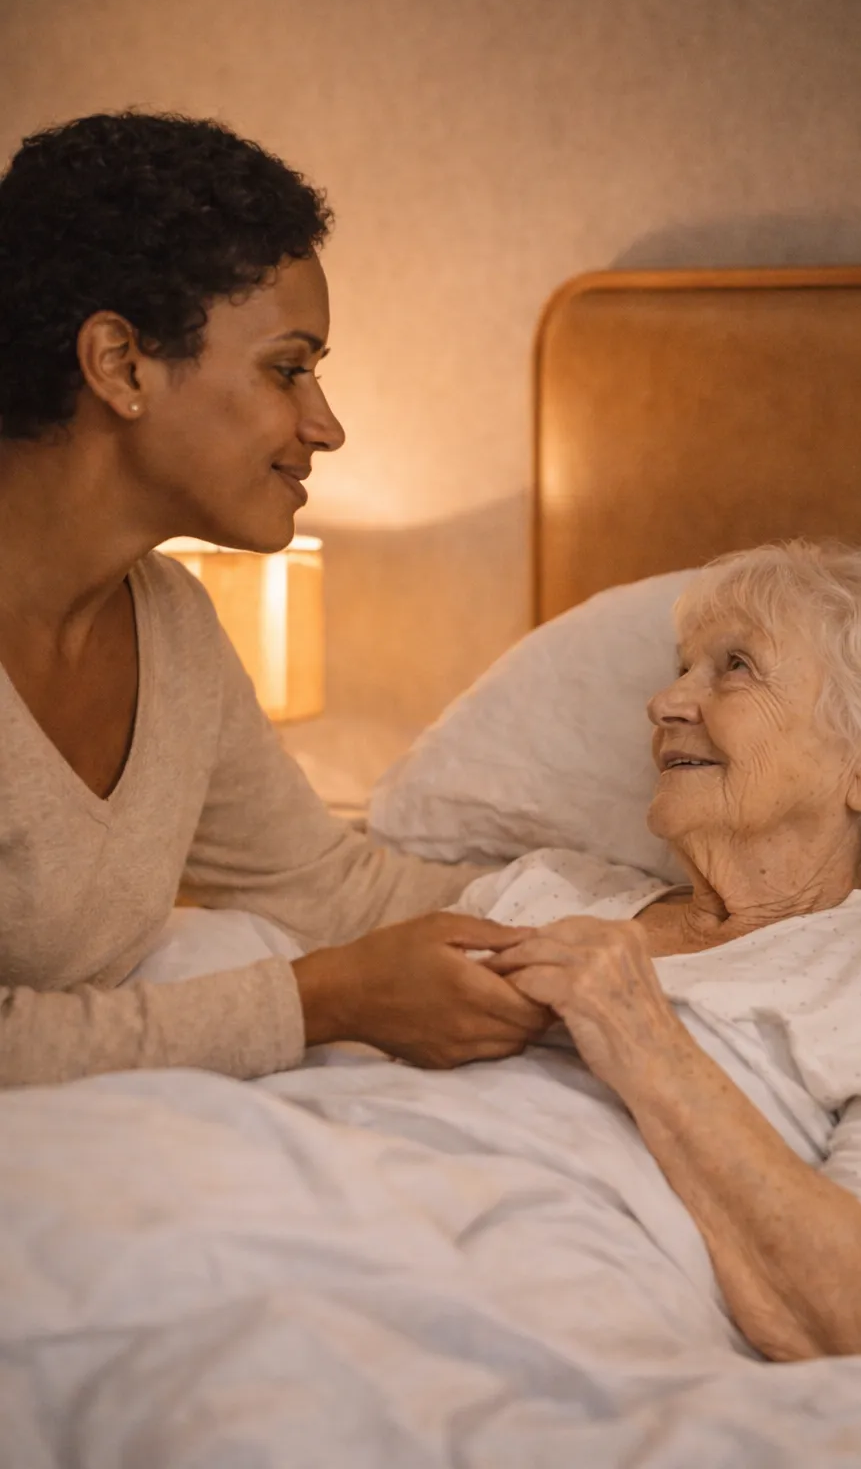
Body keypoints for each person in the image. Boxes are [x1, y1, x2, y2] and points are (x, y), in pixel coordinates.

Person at [0, 110, 547, 1089]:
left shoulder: (168, 624)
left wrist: (657, 918)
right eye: (288, 368)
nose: (325, 425)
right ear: (121, 365)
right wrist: (315, 1001)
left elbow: (333, 892)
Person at [448, 542, 861, 1360]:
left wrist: (646, 1043)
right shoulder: (540, 890)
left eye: (736, 667)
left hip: (504, 1299)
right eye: (683, 669)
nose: (665, 702)